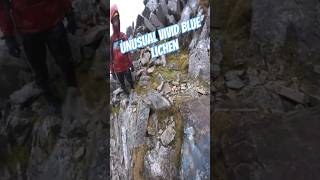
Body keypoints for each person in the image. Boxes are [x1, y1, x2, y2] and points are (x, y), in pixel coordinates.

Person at [0, 0, 78, 113]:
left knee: (65, 59)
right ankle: (50, 99)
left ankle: (73, 87)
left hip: (53, 21)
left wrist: (69, 13)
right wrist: (9, 37)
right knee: (39, 69)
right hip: (28, 31)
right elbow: (3, 8)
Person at [110, 4, 135, 95]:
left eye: (117, 19)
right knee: (122, 84)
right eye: (114, 20)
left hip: (126, 65)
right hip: (117, 69)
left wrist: (131, 64)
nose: (116, 21)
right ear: (111, 22)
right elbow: (110, 57)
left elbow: (128, 51)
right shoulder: (111, 40)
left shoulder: (123, 36)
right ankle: (126, 96)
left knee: (130, 81)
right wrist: (112, 70)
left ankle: (133, 92)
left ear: (119, 20)